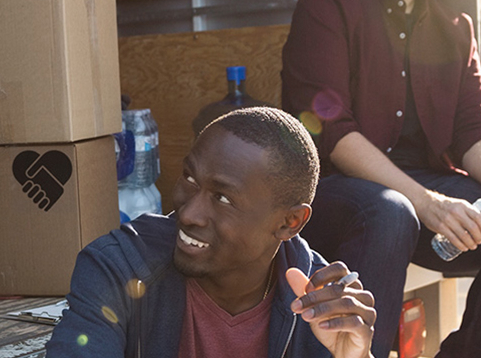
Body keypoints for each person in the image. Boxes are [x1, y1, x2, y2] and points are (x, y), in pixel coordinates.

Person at [282, 0, 481, 358]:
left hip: (426, 199)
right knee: (391, 211)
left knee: (400, 208)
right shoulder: (327, 6)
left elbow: (470, 131)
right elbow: (331, 133)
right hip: (338, 199)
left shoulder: (456, 30)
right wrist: (426, 202)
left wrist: (433, 203)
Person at [46, 107, 376, 358]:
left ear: (290, 222)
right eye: (190, 178)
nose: (188, 213)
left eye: (222, 198)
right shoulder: (119, 268)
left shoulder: (317, 305)